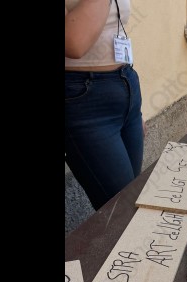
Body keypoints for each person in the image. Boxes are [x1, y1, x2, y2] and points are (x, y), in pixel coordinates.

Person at [65, 0, 145, 211]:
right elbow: (74, 42)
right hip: (86, 101)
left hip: (125, 84)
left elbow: (113, 29)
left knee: (133, 194)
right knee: (122, 210)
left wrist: (133, 109)